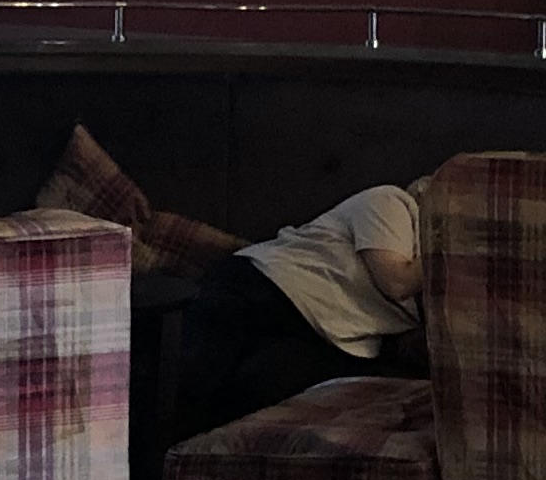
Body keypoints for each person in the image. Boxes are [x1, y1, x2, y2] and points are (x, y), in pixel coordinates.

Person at [169, 182, 425, 450]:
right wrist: (451, 250)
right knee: (188, 393)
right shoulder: (392, 202)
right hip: (268, 283)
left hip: (331, 337)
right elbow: (396, 281)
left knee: (245, 409)